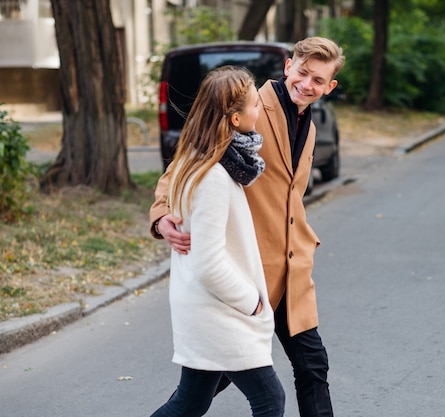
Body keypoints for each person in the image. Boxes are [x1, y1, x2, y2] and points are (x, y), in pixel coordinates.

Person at [150, 36, 345, 417]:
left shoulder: (311, 126)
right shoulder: (248, 107)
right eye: (303, 73)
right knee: (205, 388)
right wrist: (161, 217)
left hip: (292, 273)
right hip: (248, 274)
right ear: (289, 66)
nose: (308, 85)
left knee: (312, 367)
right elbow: (184, 165)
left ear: (329, 87)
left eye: (319, 81)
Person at [150, 66, 285, 417]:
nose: (260, 112)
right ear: (236, 118)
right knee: (270, 400)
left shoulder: (197, 161)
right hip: (219, 310)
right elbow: (209, 263)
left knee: (189, 402)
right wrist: (252, 301)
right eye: (255, 105)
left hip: (204, 306)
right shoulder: (212, 174)